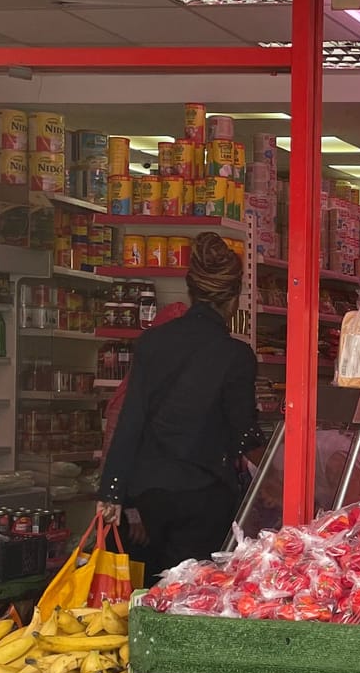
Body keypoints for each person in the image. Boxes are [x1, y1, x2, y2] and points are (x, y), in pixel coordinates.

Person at [96, 233, 258, 572]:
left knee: (141, 594)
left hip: (148, 497)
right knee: (189, 600)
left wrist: (111, 492)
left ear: (190, 289)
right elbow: (242, 434)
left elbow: (131, 420)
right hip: (204, 500)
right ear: (234, 298)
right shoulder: (235, 356)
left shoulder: (152, 342)